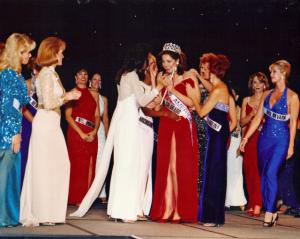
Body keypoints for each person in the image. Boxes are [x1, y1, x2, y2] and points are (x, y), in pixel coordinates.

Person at [70, 43, 162, 222]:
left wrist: (152, 79)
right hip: (128, 121)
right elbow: (143, 101)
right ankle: (123, 210)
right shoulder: (132, 75)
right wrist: (157, 87)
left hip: (124, 120)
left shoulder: (125, 75)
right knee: (128, 164)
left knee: (123, 163)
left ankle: (117, 208)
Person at [20, 37, 81, 226]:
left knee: (57, 165)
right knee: (47, 167)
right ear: (53, 53)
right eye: (61, 51)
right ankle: (43, 213)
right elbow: (46, 103)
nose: (62, 55)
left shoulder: (51, 74)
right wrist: (68, 96)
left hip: (52, 124)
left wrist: (65, 96)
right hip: (46, 122)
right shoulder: (46, 73)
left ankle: (50, 212)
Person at [240, 60, 299, 227]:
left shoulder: (293, 97)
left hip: (281, 140)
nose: (271, 75)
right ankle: (270, 207)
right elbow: (258, 118)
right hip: (264, 139)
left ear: (283, 74)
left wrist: (291, 145)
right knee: (264, 174)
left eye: (273, 72)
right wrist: (246, 138)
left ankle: (269, 211)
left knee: (271, 172)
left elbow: (294, 122)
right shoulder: (267, 94)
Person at [150, 43, 199, 223]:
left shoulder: (188, 77)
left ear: (177, 61)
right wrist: (157, 85)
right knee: (167, 166)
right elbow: (157, 103)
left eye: (169, 61)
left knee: (178, 167)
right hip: (166, 124)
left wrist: (171, 89)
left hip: (182, 125)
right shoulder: (162, 77)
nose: (166, 65)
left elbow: (193, 104)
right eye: (163, 61)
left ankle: (178, 209)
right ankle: (167, 207)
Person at [187, 53, 231, 226]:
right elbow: (209, 87)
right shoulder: (216, 86)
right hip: (215, 134)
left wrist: (194, 97)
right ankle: (213, 215)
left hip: (218, 136)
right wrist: (198, 77)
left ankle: (212, 217)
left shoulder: (219, 89)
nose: (202, 70)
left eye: (204, 68)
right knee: (213, 173)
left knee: (214, 174)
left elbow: (202, 112)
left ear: (213, 70)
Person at [0, 33, 35, 227]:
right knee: (7, 177)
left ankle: (8, 217)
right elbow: (8, 107)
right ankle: (5, 218)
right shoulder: (9, 76)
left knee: (8, 176)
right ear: (17, 52)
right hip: (7, 134)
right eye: (26, 52)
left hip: (9, 131)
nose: (29, 56)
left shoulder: (13, 74)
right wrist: (15, 133)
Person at [66, 69, 100, 205]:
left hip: (92, 131)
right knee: (77, 164)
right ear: (75, 77)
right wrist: (81, 134)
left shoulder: (94, 94)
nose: (83, 76)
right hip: (76, 131)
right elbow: (68, 116)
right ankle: (75, 198)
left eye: (86, 74)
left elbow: (97, 115)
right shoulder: (71, 93)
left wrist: (95, 131)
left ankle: (87, 198)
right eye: (80, 74)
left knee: (91, 164)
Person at [240, 72, 269, 217]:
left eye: (260, 82)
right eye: (254, 82)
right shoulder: (246, 100)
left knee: (259, 171)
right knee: (249, 170)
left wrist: (261, 121)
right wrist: (251, 115)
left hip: (263, 137)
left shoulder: (269, 99)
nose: (257, 85)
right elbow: (241, 123)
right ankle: (252, 203)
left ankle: (258, 203)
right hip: (249, 138)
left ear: (265, 85)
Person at [225, 88, 247, 209]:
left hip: (236, 140)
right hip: (227, 141)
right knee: (227, 170)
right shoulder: (222, 108)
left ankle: (239, 201)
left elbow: (241, 126)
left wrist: (241, 144)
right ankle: (227, 201)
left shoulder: (238, 109)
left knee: (237, 171)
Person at [89, 73, 109, 203]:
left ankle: (101, 192)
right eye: (95, 79)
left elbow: (105, 118)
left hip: (100, 129)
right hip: (87, 126)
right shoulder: (85, 94)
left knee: (101, 159)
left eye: (99, 80)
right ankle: (88, 190)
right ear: (90, 81)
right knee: (90, 160)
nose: (97, 82)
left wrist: (108, 136)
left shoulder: (104, 99)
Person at [20, 58, 41, 186]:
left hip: (40, 124)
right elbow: (23, 108)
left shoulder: (44, 85)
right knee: (26, 155)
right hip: (28, 124)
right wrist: (35, 123)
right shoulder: (27, 84)